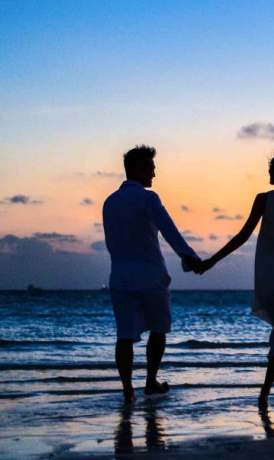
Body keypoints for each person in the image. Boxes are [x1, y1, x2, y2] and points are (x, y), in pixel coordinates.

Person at [200, 148, 274, 408]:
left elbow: (243, 236)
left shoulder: (264, 199)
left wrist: (212, 261)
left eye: (272, 167)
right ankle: (264, 394)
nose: (268, 171)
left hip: (267, 277)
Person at [103, 144, 203, 404]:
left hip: (120, 275)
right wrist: (189, 257)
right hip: (150, 274)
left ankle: (128, 390)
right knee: (158, 329)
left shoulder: (109, 202)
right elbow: (169, 230)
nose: (154, 175)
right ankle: (150, 382)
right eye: (151, 168)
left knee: (124, 335)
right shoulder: (149, 198)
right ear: (138, 169)